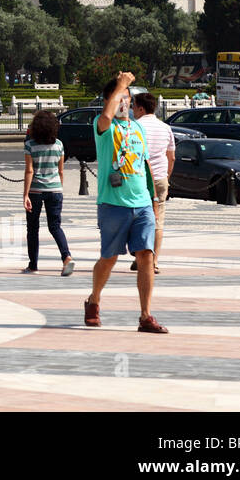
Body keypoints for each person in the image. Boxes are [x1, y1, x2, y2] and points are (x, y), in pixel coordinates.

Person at [84, 72, 167, 333]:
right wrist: (120, 85)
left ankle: (145, 315)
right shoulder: (104, 126)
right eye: (120, 98)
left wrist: (153, 198)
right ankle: (94, 299)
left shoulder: (138, 127)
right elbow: (107, 117)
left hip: (142, 202)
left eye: (128, 99)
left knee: (145, 256)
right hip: (113, 204)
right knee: (109, 258)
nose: (125, 104)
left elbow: (145, 165)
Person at [21, 109, 74, 276]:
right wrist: (59, 187)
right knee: (55, 226)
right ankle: (66, 257)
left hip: (36, 190)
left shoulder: (30, 145)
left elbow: (29, 171)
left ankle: (33, 265)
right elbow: (61, 171)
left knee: (33, 228)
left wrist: (25, 194)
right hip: (55, 189)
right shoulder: (59, 145)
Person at [131, 92, 174, 276]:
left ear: (141, 108)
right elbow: (171, 156)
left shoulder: (135, 127)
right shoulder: (165, 128)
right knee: (158, 221)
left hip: (139, 179)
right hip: (160, 178)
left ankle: (140, 256)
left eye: (133, 106)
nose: (132, 109)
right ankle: (154, 261)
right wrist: (166, 176)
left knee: (136, 218)